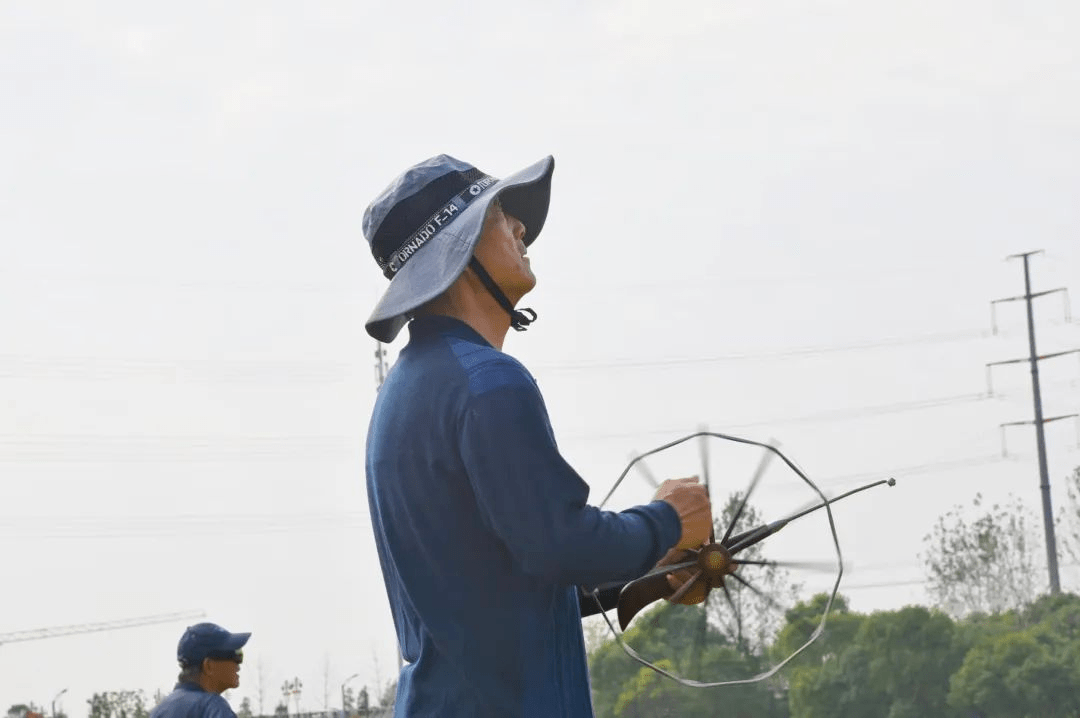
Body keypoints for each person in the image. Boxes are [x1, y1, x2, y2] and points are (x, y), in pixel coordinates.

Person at [363, 154, 712, 717]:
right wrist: (670, 518)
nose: (521, 227)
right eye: (499, 215)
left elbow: (500, 586)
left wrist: (655, 566)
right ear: (461, 248)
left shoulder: (402, 394)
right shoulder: (488, 382)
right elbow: (561, 544)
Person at [150, 622, 250, 718]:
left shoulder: (160, 710)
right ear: (209, 666)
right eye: (235, 657)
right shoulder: (213, 707)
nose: (238, 665)